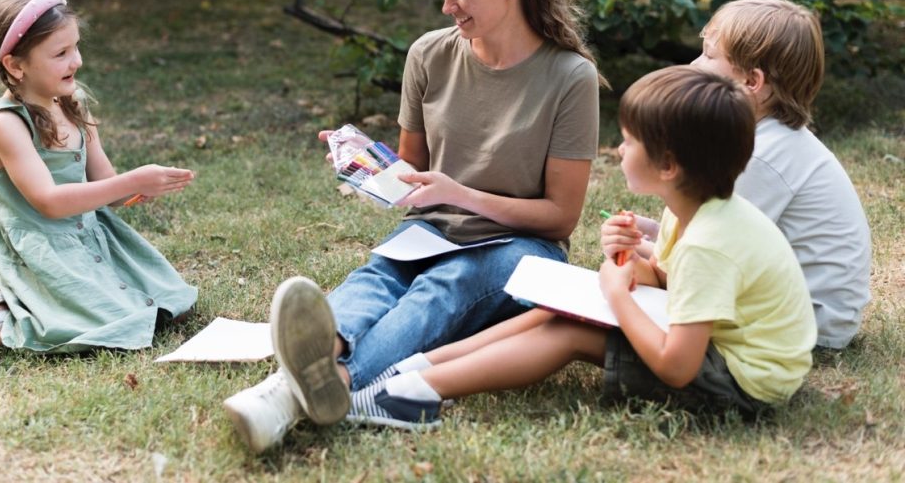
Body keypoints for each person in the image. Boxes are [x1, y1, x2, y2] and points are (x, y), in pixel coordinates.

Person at [224, 0, 604, 452]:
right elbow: (412, 177)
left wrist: (461, 194)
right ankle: (297, 378)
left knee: (442, 287)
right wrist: (366, 166)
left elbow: (560, 217)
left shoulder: (570, 77)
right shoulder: (429, 54)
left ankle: (311, 392)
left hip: (520, 252)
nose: (447, 5)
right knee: (373, 281)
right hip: (428, 235)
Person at [313, 66, 817, 429]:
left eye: (629, 141)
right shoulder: (694, 209)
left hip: (744, 383)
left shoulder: (712, 241)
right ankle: (410, 371)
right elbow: (671, 280)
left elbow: (677, 366)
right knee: (555, 309)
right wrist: (640, 263)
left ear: (668, 166)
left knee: (569, 333)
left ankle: (409, 396)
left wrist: (618, 293)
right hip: (721, 345)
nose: (619, 149)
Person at [0, 0, 198, 354]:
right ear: (15, 65)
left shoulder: (73, 102)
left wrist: (137, 190)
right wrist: (133, 179)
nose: (77, 61)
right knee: (118, 327)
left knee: (170, 306)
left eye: (76, 47)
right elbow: (50, 203)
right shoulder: (5, 124)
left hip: (89, 234)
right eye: (61, 53)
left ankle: (30, 306)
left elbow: (106, 185)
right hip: (43, 246)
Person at [607, 0, 871, 350]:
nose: (693, 64)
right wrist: (654, 235)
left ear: (751, 81)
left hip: (808, 323)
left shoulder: (761, 159)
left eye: (708, 56)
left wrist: (640, 250)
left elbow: (709, 255)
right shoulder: (762, 140)